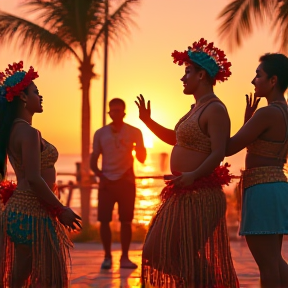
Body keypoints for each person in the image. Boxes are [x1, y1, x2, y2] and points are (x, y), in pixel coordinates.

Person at [135, 38, 239, 287]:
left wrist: (193, 175)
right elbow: (176, 140)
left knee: (178, 253)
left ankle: (204, 284)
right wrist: (148, 122)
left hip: (200, 194)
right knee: (154, 252)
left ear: (202, 75)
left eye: (187, 72)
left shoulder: (215, 109)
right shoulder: (194, 108)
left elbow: (218, 152)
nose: (183, 78)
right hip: (183, 192)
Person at [0, 61, 82, 288]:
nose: (41, 96)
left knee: (19, 277)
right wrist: (61, 209)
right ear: (23, 98)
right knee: (52, 278)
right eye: (36, 92)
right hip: (32, 213)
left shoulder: (14, 130)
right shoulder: (28, 132)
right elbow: (34, 178)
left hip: (19, 211)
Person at [226, 53, 288, 288]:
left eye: (258, 75)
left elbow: (229, 147)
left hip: (262, 189)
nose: (254, 81)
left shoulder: (267, 113)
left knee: (267, 264)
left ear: (273, 80)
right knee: (274, 260)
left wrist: (212, 122)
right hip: (277, 186)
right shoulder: (283, 112)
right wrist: (248, 120)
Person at [90, 98, 147, 269]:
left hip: (126, 182)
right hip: (107, 183)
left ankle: (125, 258)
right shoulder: (100, 133)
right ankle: (107, 257)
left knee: (126, 221)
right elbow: (93, 159)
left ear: (124, 112)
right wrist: (100, 175)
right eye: (112, 110)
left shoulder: (135, 132)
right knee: (104, 220)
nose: (115, 113)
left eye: (119, 110)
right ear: (109, 112)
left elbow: (142, 159)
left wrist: (139, 148)